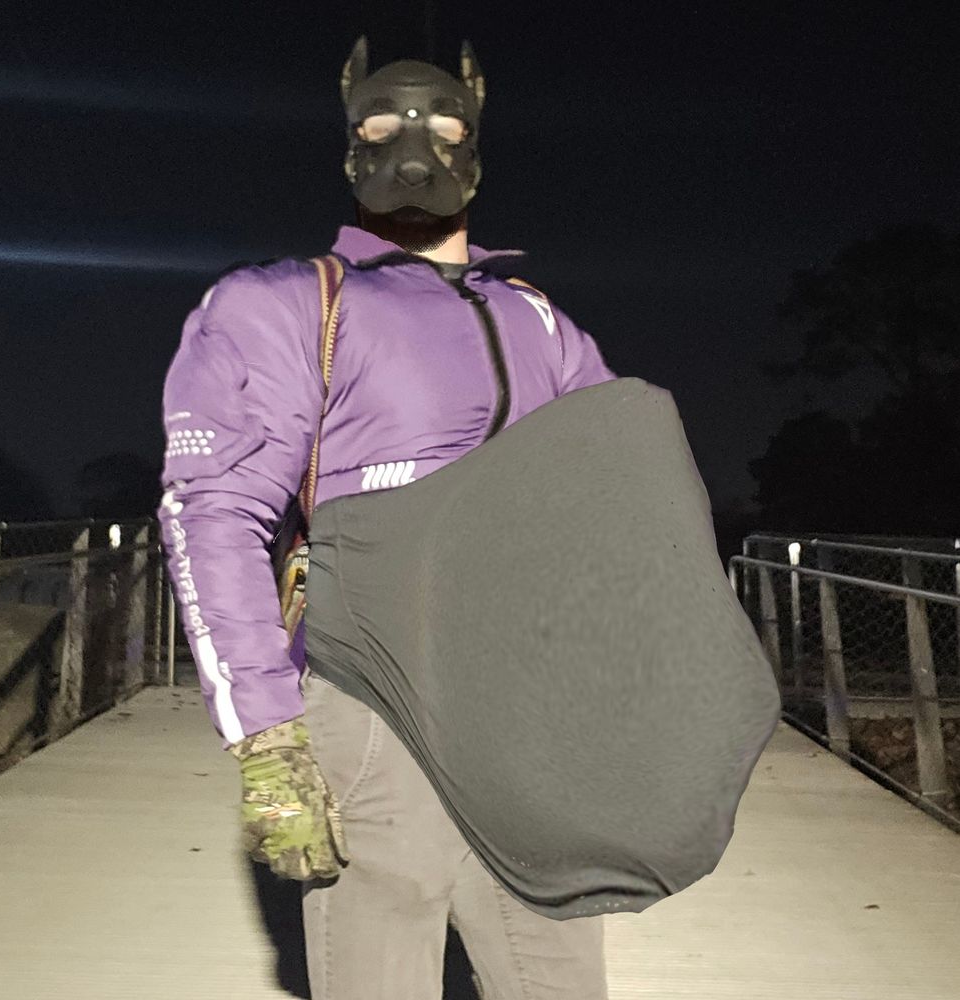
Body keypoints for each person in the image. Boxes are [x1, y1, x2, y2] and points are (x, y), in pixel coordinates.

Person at [158, 35, 614, 999]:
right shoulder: (285, 303)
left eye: (444, 125)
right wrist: (266, 735)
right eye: (381, 125)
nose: (415, 148)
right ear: (348, 148)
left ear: (475, 148)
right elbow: (213, 514)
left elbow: (615, 500)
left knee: (558, 977)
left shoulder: (536, 319)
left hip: (525, 721)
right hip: (372, 702)